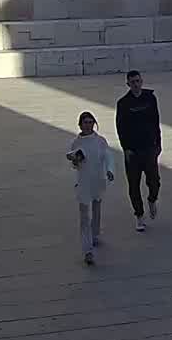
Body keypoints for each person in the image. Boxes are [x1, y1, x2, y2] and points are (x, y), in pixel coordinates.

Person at [116, 70, 162, 231]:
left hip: (149, 148)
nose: (136, 84)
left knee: (154, 181)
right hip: (132, 151)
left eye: (138, 81)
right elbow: (120, 127)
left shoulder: (150, 98)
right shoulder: (123, 103)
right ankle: (139, 215)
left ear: (141, 81)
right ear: (128, 84)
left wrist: (158, 144)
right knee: (133, 185)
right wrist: (125, 148)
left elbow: (156, 121)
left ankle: (152, 199)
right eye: (132, 82)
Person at [66, 111, 114, 265]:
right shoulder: (76, 142)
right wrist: (75, 160)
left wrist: (110, 170)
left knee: (97, 210)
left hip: (98, 181)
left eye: (90, 122)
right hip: (83, 183)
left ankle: (95, 235)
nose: (88, 125)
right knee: (84, 216)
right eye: (85, 122)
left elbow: (108, 157)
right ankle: (87, 250)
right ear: (80, 125)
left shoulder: (100, 141)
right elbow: (74, 163)